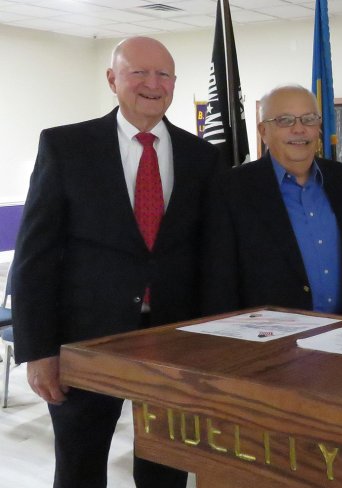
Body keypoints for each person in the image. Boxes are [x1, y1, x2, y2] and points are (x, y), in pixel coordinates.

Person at [13, 37, 222, 488]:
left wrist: (211, 347)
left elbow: (210, 257)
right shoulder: (66, 147)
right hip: (86, 341)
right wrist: (39, 350)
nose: (153, 84)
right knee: (80, 469)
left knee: (165, 469)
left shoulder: (202, 157)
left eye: (163, 74)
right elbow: (35, 257)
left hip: (174, 342)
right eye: (138, 72)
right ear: (112, 79)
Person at [202, 85, 342, 318]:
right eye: (285, 120)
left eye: (309, 119)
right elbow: (220, 282)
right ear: (263, 131)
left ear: (318, 126)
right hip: (270, 336)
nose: (299, 129)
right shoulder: (231, 189)